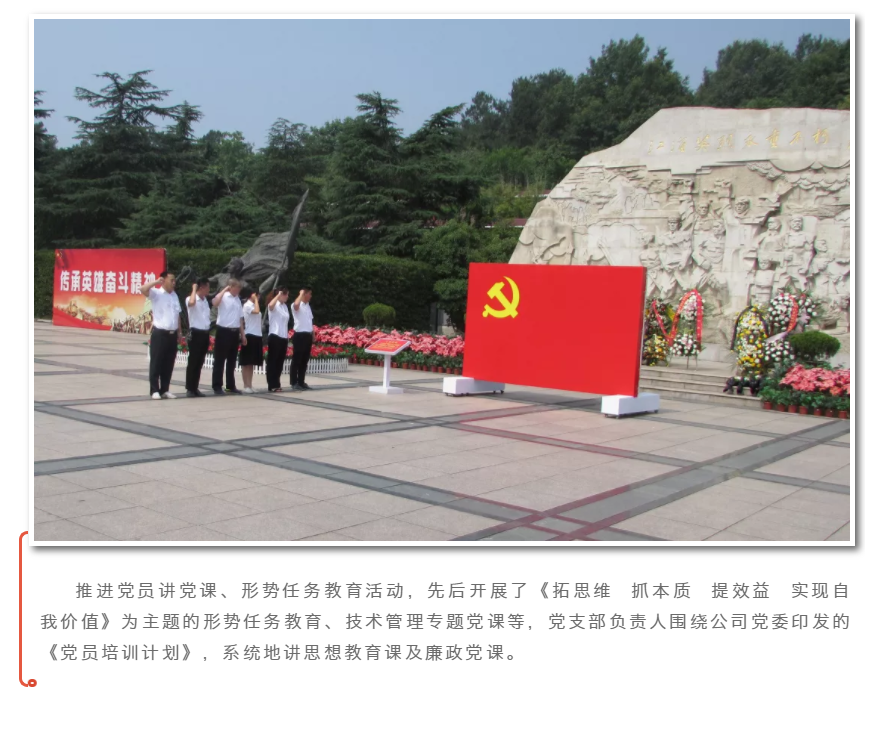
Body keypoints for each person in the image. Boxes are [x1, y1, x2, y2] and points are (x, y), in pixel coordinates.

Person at [140, 271, 181, 400]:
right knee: (156, 362)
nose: (174, 283)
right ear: (163, 280)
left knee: (169, 363)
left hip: (172, 334)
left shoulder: (174, 295)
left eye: (174, 280)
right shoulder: (157, 293)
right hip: (160, 334)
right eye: (171, 280)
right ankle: (154, 390)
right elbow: (143, 289)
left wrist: (179, 332)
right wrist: (156, 282)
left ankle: (165, 389)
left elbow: (177, 315)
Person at [211, 278, 245, 395]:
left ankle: (230, 385)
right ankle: (217, 385)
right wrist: (224, 289)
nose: (238, 291)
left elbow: (240, 318)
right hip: (223, 330)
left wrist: (242, 334)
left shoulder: (237, 299)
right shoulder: (224, 296)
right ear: (231, 287)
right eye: (237, 288)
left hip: (234, 331)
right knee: (220, 359)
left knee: (232, 360)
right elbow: (215, 303)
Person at [185, 278, 211, 397]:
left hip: (205, 333)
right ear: (202, 287)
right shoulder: (191, 298)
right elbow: (191, 303)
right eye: (207, 287)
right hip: (196, 333)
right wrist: (194, 289)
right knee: (193, 361)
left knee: (200, 362)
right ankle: (190, 388)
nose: (209, 290)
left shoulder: (205, 301)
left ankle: (195, 387)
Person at [239, 287, 264, 394]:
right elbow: (257, 311)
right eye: (257, 295)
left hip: (257, 334)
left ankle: (250, 384)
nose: (259, 297)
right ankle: (246, 385)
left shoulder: (254, 304)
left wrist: (256, 301)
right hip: (249, 334)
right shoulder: (247, 305)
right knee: (246, 362)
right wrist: (256, 300)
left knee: (252, 362)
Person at [265, 287, 290, 392]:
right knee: (273, 361)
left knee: (280, 361)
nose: (287, 296)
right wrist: (278, 295)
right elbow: (270, 306)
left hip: (283, 336)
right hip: (275, 335)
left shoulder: (285, 306)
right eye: (285, 294)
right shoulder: (274, 304)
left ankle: (277, 383)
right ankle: (272, 384)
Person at [290, 287, 314, 390]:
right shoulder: (296, 304)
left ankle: (301, 381)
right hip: (300, 334)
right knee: (297, 359)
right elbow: (296, 305)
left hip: (307, 334)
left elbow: (310, 321)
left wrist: (313, 334)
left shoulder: (308, 306)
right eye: (309, 294)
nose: (311, 296)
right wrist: (300, 294)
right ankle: (294, 382)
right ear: (305, 294)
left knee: (304, 359)